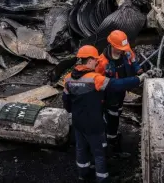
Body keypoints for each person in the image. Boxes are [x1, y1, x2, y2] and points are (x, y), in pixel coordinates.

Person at [63, 45, 149, 183]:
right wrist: (139, 79)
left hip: (78, 121)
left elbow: (66, 103)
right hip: (93, 123)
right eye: (95, 60)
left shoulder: (67, 79)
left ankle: (83, 173)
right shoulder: (95, 79)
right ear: (90, 60)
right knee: (99, 152)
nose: (97, 62)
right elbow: (116, 84)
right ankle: (102, 178)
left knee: (81, 148)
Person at [95, 30, 143, 152]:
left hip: (122, 89)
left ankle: (112, 128)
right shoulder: (102, 63)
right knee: (112, 115)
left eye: (123, 48)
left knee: (118, 110)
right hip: (110, 93)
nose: (121, 50)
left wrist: (138, 70)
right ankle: (111, 138)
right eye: (119, 48)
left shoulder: (126, 51)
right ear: (112, 45)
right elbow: (98, 82)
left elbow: (133, 61)